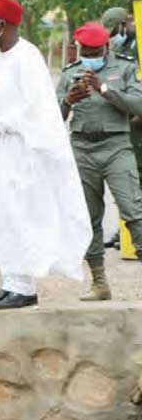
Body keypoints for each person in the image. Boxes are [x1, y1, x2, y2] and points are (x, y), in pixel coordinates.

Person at [0, 0, 92, 309]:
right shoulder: (1, 57)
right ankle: (10, 281)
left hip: (21, 151)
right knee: (2, 214)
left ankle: (24, 288)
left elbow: (36, 109)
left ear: (7, 24)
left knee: (20, 215)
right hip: (1, 151)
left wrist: (0, 124)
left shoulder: (27, 57)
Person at [57, 22, 142, 300]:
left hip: (116, 145)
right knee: (88, 218)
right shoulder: (70, 72)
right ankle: (99, 282)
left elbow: (137, 105)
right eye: (85, 50)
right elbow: (52, 119)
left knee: (133, 210)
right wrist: (68, 100)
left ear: (106, 47)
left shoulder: (126, 67)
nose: (89, 55)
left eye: (95, 50)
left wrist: (104, 88)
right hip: (82, 147)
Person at [103, 7, 142, 192]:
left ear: (125, 23)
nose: (113, 36)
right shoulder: (120, 45)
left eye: (115, 30)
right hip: (125, 120)